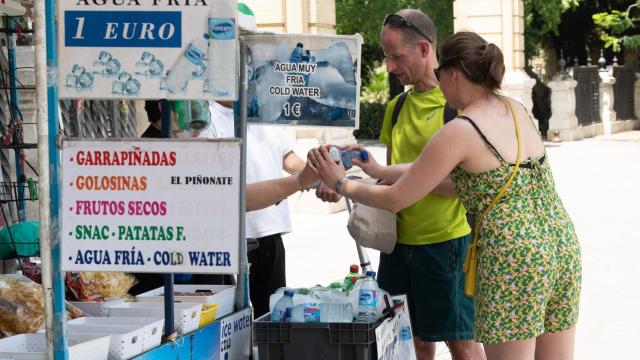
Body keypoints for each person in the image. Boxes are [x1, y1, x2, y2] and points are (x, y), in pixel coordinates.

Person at [309, 31, 582, 360]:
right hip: (561, 246)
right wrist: (379, 170)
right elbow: (437, 173)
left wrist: (341, 183)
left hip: (514, 258)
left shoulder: (460, 129)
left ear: (453, 73)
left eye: (440, 74)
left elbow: (397, 199)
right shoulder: (516, 109)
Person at [342, 9, 484, 360]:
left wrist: (412, 182)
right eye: (387, 56)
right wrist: (346, 176)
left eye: (396, 56)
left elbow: (465, 184)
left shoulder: (457, 106)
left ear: (424, 49)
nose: (389, 66)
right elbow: (387, 171)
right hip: (396, 247)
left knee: (462, 344)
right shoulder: (396, 106)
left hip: (445, 246)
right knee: (410, 341)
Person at [196, 101, 338, 318]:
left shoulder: (263, 112)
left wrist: (321, 177)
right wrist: (305, 179)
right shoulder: (206, 119)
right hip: (230, 236)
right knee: (229, 316)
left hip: (270, 229)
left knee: (273, 312)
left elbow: (287, 157)